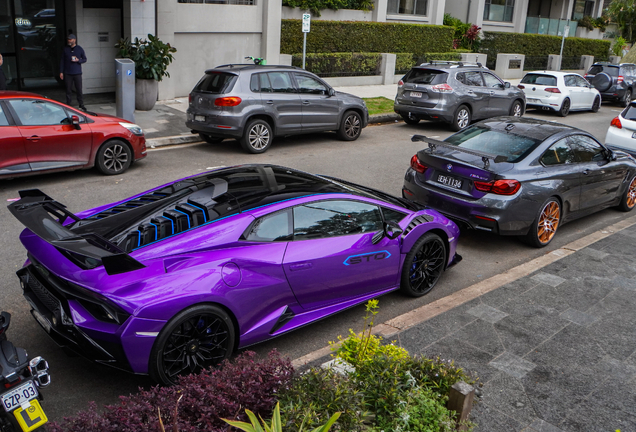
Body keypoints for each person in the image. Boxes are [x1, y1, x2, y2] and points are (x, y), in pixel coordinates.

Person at [59, 34, 86, 110]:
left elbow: (84, 59)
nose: (69, 41)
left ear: (74, 40)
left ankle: (81, 104)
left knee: (79, 89)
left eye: (70, 39)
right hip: (67, 73)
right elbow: (62, 61)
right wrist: (61, 71)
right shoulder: (65, 49)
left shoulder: (79, 49)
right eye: (68, 39)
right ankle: (68, 104)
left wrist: (78, 60)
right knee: (68, 90)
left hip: (77, 73)